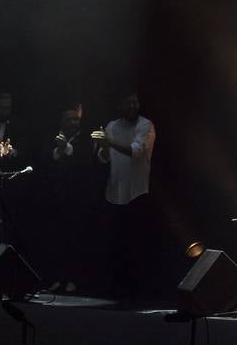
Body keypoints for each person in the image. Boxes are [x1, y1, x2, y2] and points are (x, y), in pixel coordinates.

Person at [90, 92, 155, 301]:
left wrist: (109, 142)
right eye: (128, 102)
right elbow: (103, 159)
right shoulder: (112, 126)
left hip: (137, 192)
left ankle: (136, 291)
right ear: (120, 105)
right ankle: (114, 289)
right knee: (115, 244)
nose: (132, 105)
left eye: (135, 102)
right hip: (114, 192)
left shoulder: (146, 125)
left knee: (135, 245)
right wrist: (103, 147)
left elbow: (136, 152)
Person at [45, 104, 92, 294]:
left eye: (76, 119)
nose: (74, 123)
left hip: (78, 197)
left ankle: (74, 278)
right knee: (57, 239)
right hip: (56, 196)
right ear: (62, 121)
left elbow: (86, 162)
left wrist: (66, 147)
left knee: (76, 239)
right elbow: (45, 159)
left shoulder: (84, 139)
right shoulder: (52, 136)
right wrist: (59, 149)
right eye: (70, 119)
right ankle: (57, 277)